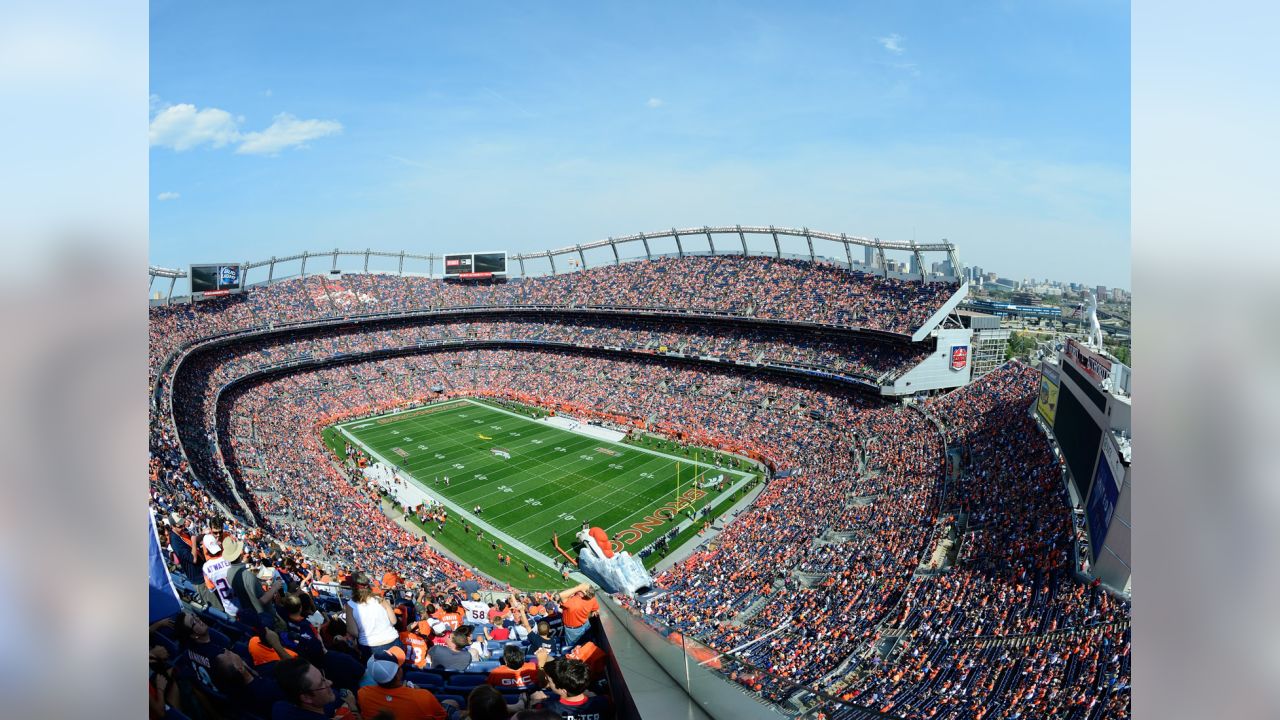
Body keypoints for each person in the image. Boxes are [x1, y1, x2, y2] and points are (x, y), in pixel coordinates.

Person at [356, 650, 455, 720]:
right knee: (452, 702)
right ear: (399, 674)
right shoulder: (421, 696)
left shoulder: (363, 694)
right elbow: (443, 717)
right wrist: (417, 692)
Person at [272, 656, 363, 719]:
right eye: (321, 683)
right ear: (306, 698)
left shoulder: (280, 707)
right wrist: (352, 707)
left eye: (323, 676)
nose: (330, 682)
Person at [225, 537, 285, 631]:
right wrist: (275, 587)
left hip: (250, 614)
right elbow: (262, 601)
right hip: (264, 617)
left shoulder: (228, 572)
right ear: (240, 553)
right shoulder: (248, 573)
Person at [212, 649, 287, 718]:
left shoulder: (232, 691)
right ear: (240, 669)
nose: (226, 650)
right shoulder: (270, 688)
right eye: (228, 654)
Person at [531, 658, 613, 720]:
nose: (547, 681)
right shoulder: (605, 701)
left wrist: (532, 703)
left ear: (563, 690)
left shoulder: (545, 708)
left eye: (549, 681)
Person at [345, 572, 401, 658]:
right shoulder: (380, 599)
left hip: (370, 646)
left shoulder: (350, 605)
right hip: (393, 641)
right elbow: (393, 621)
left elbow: (354, 632)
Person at [555, 583, 598, 648]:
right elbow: (596, 609)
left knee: (571, 648)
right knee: (585, 643)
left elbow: (561, 595)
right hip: (586, 624)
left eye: (581, 587)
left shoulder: (573, 602)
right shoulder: (592, 599)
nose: (579, 585)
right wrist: (594, 611)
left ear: (582, 593)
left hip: (573, 631)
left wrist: (578, 588)